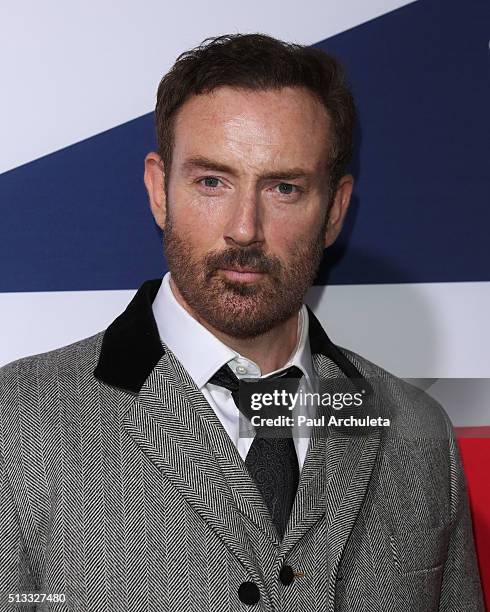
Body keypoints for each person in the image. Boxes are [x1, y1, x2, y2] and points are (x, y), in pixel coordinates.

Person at [0, 33, 483, 612]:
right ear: (160, 190)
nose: (245, 228)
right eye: (212, 182)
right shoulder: (19, 425)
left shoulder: (418, 432)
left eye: (284, 188)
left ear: (333, 210)